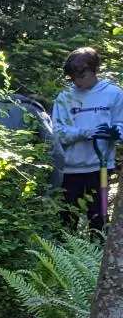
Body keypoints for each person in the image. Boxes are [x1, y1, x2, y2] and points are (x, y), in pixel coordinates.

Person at [51, 47, 122, 230]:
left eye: (81, 76)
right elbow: (58, 132)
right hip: (70, 170)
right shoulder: (64, 98)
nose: (76, 81)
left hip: (100, 167)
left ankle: (98, 256)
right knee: (67, 223)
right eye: (73, 77)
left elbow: (121, 125)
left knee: (99, 221)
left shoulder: (114, 94)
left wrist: (115, 132)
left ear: (93, 70)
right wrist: (85, 132)